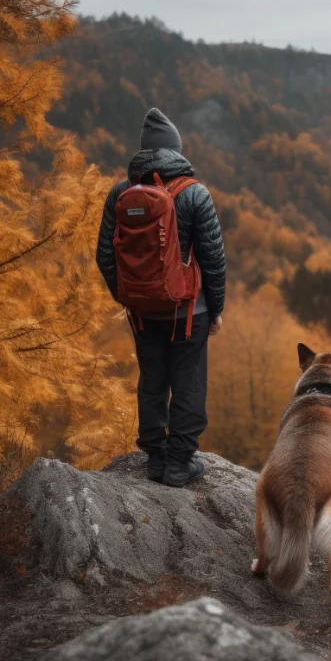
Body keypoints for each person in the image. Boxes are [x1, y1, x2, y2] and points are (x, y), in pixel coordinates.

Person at [95, 108, 226, 487]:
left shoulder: (120, 193)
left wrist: (129, 297)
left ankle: (155, 459)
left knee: (152, 380)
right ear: (176, 150)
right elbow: (214, 260)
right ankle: (179, 465)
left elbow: (105, 256)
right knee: (188, 382)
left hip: (141, 313)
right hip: (189, 311)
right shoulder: (195, 194)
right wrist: (215, 308)